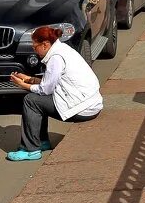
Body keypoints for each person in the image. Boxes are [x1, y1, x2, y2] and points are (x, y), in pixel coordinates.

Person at [6, 26, 103, 161]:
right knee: (39, 100)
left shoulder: (55, 59)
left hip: (82, 108)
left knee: (31, 100)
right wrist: (29, 79)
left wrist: (23, 85)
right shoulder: (63, 50)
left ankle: (31, 149)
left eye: (35, 46)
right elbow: (51, 83)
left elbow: (45, 90)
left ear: (45, 45)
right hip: (91, 103)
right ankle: (42, 141)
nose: (34, 49)